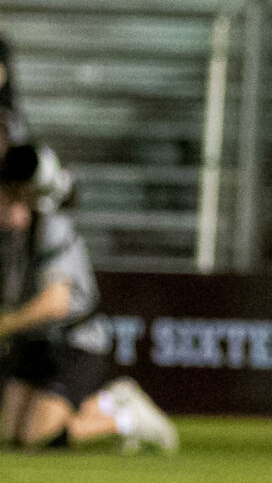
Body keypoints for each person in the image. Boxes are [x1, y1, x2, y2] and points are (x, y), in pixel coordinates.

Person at [0, 143, 177, 452]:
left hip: (74, 343)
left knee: (37, 438)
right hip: (36, 343)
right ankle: (101, 405)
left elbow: (56, 303)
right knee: (9, 434)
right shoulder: (17, 236)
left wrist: (6, 324)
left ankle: (125, 414)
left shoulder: (52, 229)